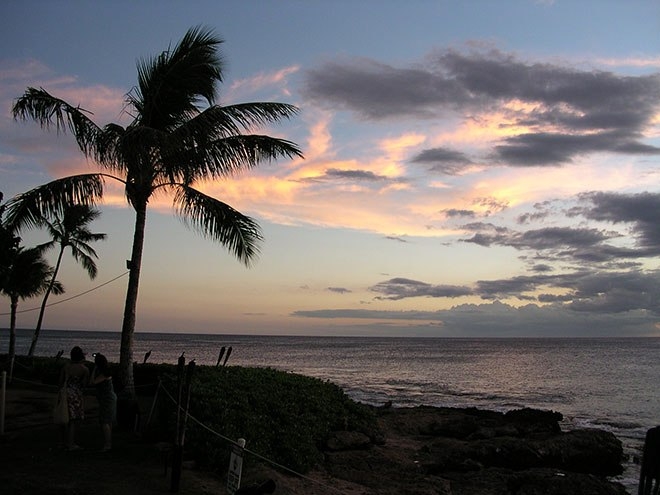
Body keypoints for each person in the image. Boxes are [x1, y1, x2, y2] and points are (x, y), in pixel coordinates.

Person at [59, 346, 90, 451]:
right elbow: (84, 384)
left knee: (63, 418)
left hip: (65, 393)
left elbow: (60, 382)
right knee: (73, 420)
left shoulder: (65, 367)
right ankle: (71, 443)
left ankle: (63, 442)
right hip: (76, 395)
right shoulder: (84, 369)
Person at [91, 352, 117, 452]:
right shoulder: (105, 371)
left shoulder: (104, 374)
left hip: (107, 399)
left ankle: (108, 444)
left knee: (105, 421)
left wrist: (94, 368)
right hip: (107, 398)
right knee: (107, 421)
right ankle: (108, 442)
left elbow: (92, 382)